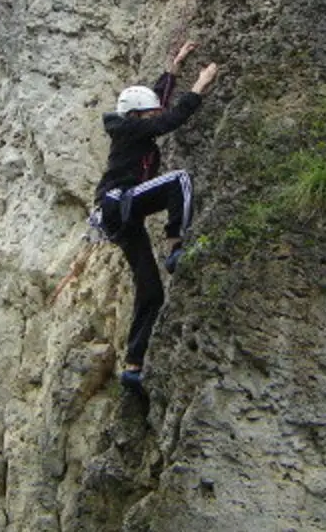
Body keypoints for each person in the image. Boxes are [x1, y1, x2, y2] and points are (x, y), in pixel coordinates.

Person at [93, 41, 219, 391]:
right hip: (120, 203)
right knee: (180, 180)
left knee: (150, 290)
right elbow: (169, 118)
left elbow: (156, 105)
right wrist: (200, 84)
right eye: (147, 113)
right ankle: (176, 246)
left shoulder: (130, 124)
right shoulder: (131, 129)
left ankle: (133, 365)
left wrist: (174, 67)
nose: (153, 114)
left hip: (119, 217)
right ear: (136, 116)